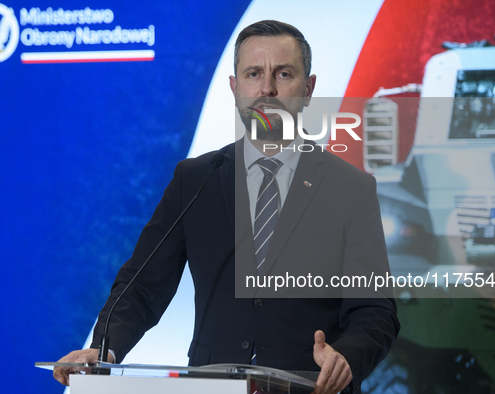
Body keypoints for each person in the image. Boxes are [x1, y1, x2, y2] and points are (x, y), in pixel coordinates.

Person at [54, 20, 399, 394]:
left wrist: (347, 356)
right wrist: (102, 349)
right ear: (235, 89)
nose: (267, 88)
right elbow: (141, 287)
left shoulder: (350, 188)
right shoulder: (196, 179)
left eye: (283, 74)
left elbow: (375, 311)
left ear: (309, 89)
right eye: (253, 74)